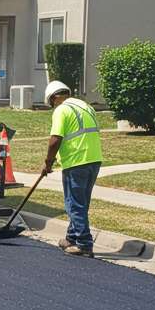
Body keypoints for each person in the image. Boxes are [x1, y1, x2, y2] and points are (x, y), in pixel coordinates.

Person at [39, 81, 102, 257]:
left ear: (53, 98)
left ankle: (84, 243)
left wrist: (48, 162)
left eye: (51, 103)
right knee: (81, 202)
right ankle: (71, 237)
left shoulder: (62, 109)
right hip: (94, 159)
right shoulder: (85, 106)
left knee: (74, 204)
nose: (53, 107)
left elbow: (55, 139)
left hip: (76, 161)